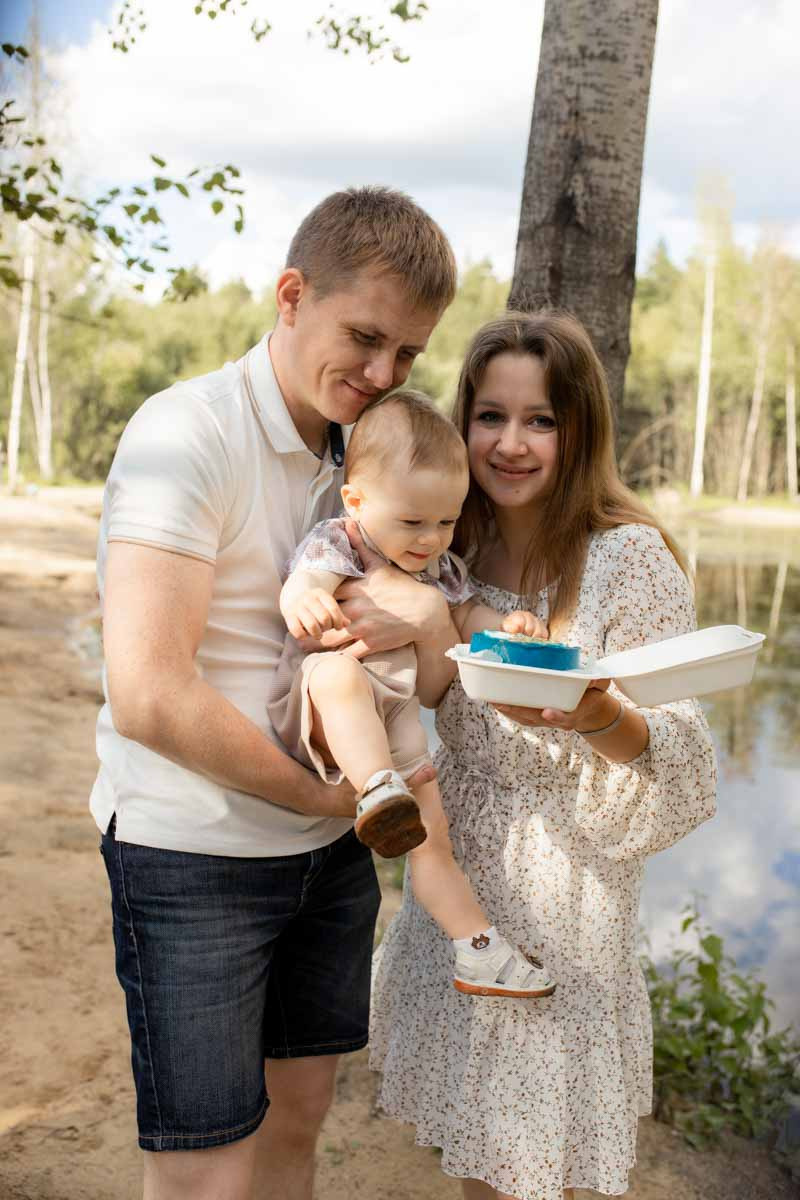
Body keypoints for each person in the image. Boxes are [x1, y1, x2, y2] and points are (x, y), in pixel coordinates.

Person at [91, 186, 460, 1200]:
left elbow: (432, 625)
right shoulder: (184, 434)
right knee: (207, 1171)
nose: (382, 374)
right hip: (194, 857)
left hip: (331, 861)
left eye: (408, 354)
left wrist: (429, 620)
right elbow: (148, 693)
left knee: (297, 1129)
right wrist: (331, 798)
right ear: (292, 295)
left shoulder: (368, 450)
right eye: (366, 338)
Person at [369, 310, 718, 1200]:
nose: (511, 444)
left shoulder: (628, 559)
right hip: (459, 898)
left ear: (580, 430)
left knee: (536, 1175)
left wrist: (594, 713)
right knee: (480, 1170)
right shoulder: (446, 542)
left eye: (542, 420)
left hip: (570, 913)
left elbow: (684, 772)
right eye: (491, 416)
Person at [268, 388, 555, 999]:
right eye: (413, 522)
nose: (431, 539)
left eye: (446, 522)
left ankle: (477, 948)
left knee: (431, 839)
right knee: (340, 675)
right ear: (357, 501)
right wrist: (307, 598)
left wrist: (507, 628)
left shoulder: (438, 568)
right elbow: (303, 582)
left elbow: (467, 614)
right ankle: (376, 788)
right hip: (322, 702)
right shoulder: (340, 542)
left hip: (393, 718)